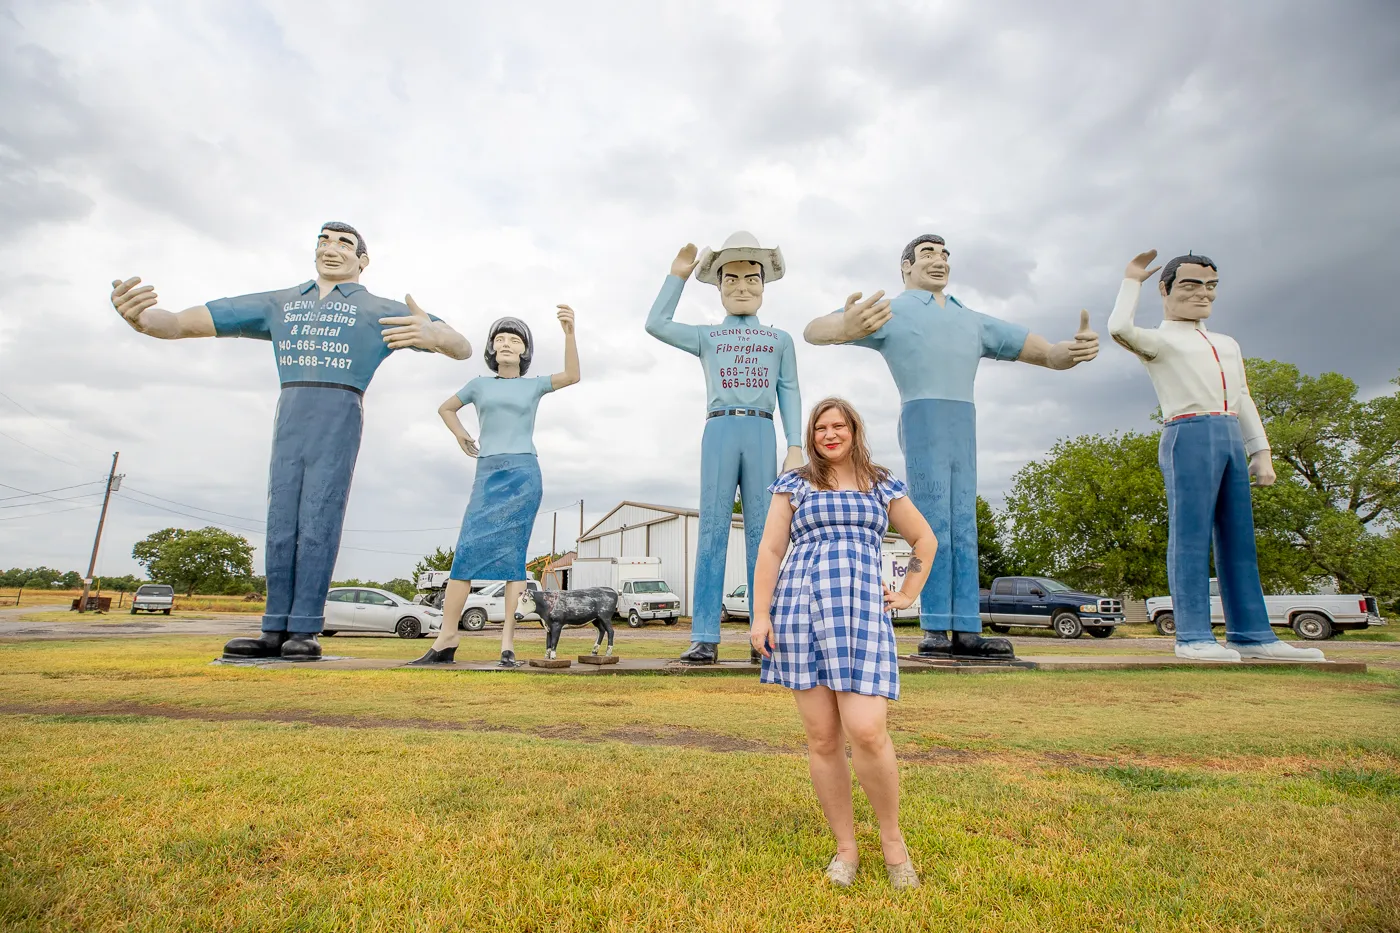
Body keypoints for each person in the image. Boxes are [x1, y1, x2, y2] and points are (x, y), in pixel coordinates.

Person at [109, 222, 472, 660]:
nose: (331, 249)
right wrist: (143, 320)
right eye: (323, 240)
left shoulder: (379, 309)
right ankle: (273, 627)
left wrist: (437, 338)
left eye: (344, 243)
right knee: (281, 518)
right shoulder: (279, 303)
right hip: (291, 410)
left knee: (320, 514)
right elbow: (181, 323)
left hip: (340, 408)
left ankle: (305, 627)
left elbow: (462, 345)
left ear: (363, 260)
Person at [803, 234, 1098, 660]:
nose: (938, 260)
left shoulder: (970, 319)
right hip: (923, 416)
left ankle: (967, 628)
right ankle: (936, 625)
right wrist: (845, 327)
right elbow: (816, 330)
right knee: (933, 519)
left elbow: (1044, 352)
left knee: (964, 523)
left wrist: (1064, 353)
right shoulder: (893, 309)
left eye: (944, 254)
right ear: (905, 267)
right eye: (927, 254)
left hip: (964, 420)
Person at [750, 397, 937, 889]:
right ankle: (846, 849)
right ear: (811, 436)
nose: (829, 435)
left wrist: (907, 592)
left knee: (868, 731)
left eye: (838, 426)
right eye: (819, 428)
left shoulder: (882, 483)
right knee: (823, 737)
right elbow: (771, 549)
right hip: (799, 613)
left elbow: (925, 541)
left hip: (860, 617)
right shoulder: (794, 483)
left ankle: (893, 845)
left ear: (854, 430)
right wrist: (760, 616)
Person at [1107, 249, 1324, 662]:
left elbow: (1242, 396)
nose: (1203, 294)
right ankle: (1192, 636)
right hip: (1187, 432)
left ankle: (1252, 633)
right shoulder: (1160, 339)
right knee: (1190, 538)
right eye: (1190, 285)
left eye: (1210, 286)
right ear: (1166, 289)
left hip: (1228, 433)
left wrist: (1260, 449)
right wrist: (1130, 280)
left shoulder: (1227, 343)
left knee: (1240, 540)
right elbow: (1119, 327)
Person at [645, 232, 804, 664]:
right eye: (730, 280)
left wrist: (795, 444)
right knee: (713, 529)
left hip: (761, 432)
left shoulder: (779, 340)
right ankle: (704, 636)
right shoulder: (708, 337)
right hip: (718, 431)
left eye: (751, 279)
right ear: (717, 288)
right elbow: (656, 324)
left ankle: (762, 632)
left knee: (765, 536)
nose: (741, 288)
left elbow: (788, 390)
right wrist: (676, 277)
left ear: (765, 286)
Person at [411, 305, 581, 668]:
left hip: (523, 474)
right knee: (465, 554)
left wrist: (568, 332)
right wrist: (461, 435)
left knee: (512, 561)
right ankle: (446, 638)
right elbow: (446, 408)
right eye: (499, 338)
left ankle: (508, 645)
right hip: (487, 474)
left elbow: (572, 375)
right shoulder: (478, 385)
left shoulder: (533, 385)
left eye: (514, 339)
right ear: (491, 348)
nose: (505, 344)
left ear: (525, 350)